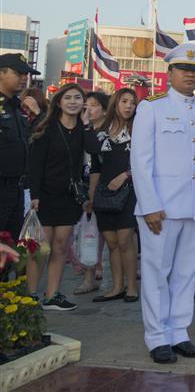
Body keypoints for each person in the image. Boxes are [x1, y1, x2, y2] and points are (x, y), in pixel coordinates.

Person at [132, 43, 195, 363]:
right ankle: (157, 337)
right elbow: (140, 161)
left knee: (187, 273)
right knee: (157, 272)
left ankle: (179, 332)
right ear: (170, 73)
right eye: (184, 70)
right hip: (162, 207)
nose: (190, 75)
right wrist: (149, 204)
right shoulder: (152, 108)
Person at [26, 83, 90, 311]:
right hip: (44, 196)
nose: (73, 102)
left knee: (61, 246)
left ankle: (52, 294)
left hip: (69, 197)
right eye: (68, 98)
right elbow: (35, 166)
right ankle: (31, 294)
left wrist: (87, 125)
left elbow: (93, 151)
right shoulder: (47, 128)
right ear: (59, 102)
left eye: (78, 98)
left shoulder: (84, 130)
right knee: (40, 248)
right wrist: (34, 195)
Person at [85, 88, 139, 303]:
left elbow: (147, 161)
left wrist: (125, 176)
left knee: (125, 240)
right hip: (104, 193)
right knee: (112, 242)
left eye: (132, 103)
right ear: (115, 103)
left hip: (130, 190)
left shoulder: (138, 129)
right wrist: (91, 194)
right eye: (124, 101)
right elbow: (95, 163)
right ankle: (116, 286)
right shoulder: (101, 131)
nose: (128, 106)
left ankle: (132, 287)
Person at [73, 90, 109, 295]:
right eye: (85, 104)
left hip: (103, 187)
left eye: (93, 105)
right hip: (81, 187)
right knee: (86, 234)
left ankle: (102, 271)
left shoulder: (106, 131)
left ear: (104, 110)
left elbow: (96, 155)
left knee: (104, 234)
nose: (87, 108)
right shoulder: (78, 129)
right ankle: (88, 274)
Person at [0, 54, 37, 244]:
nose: (24, 78)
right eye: (18, 73)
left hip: (17, 188)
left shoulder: (17, 107)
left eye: (26, 74)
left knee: (12, 245)